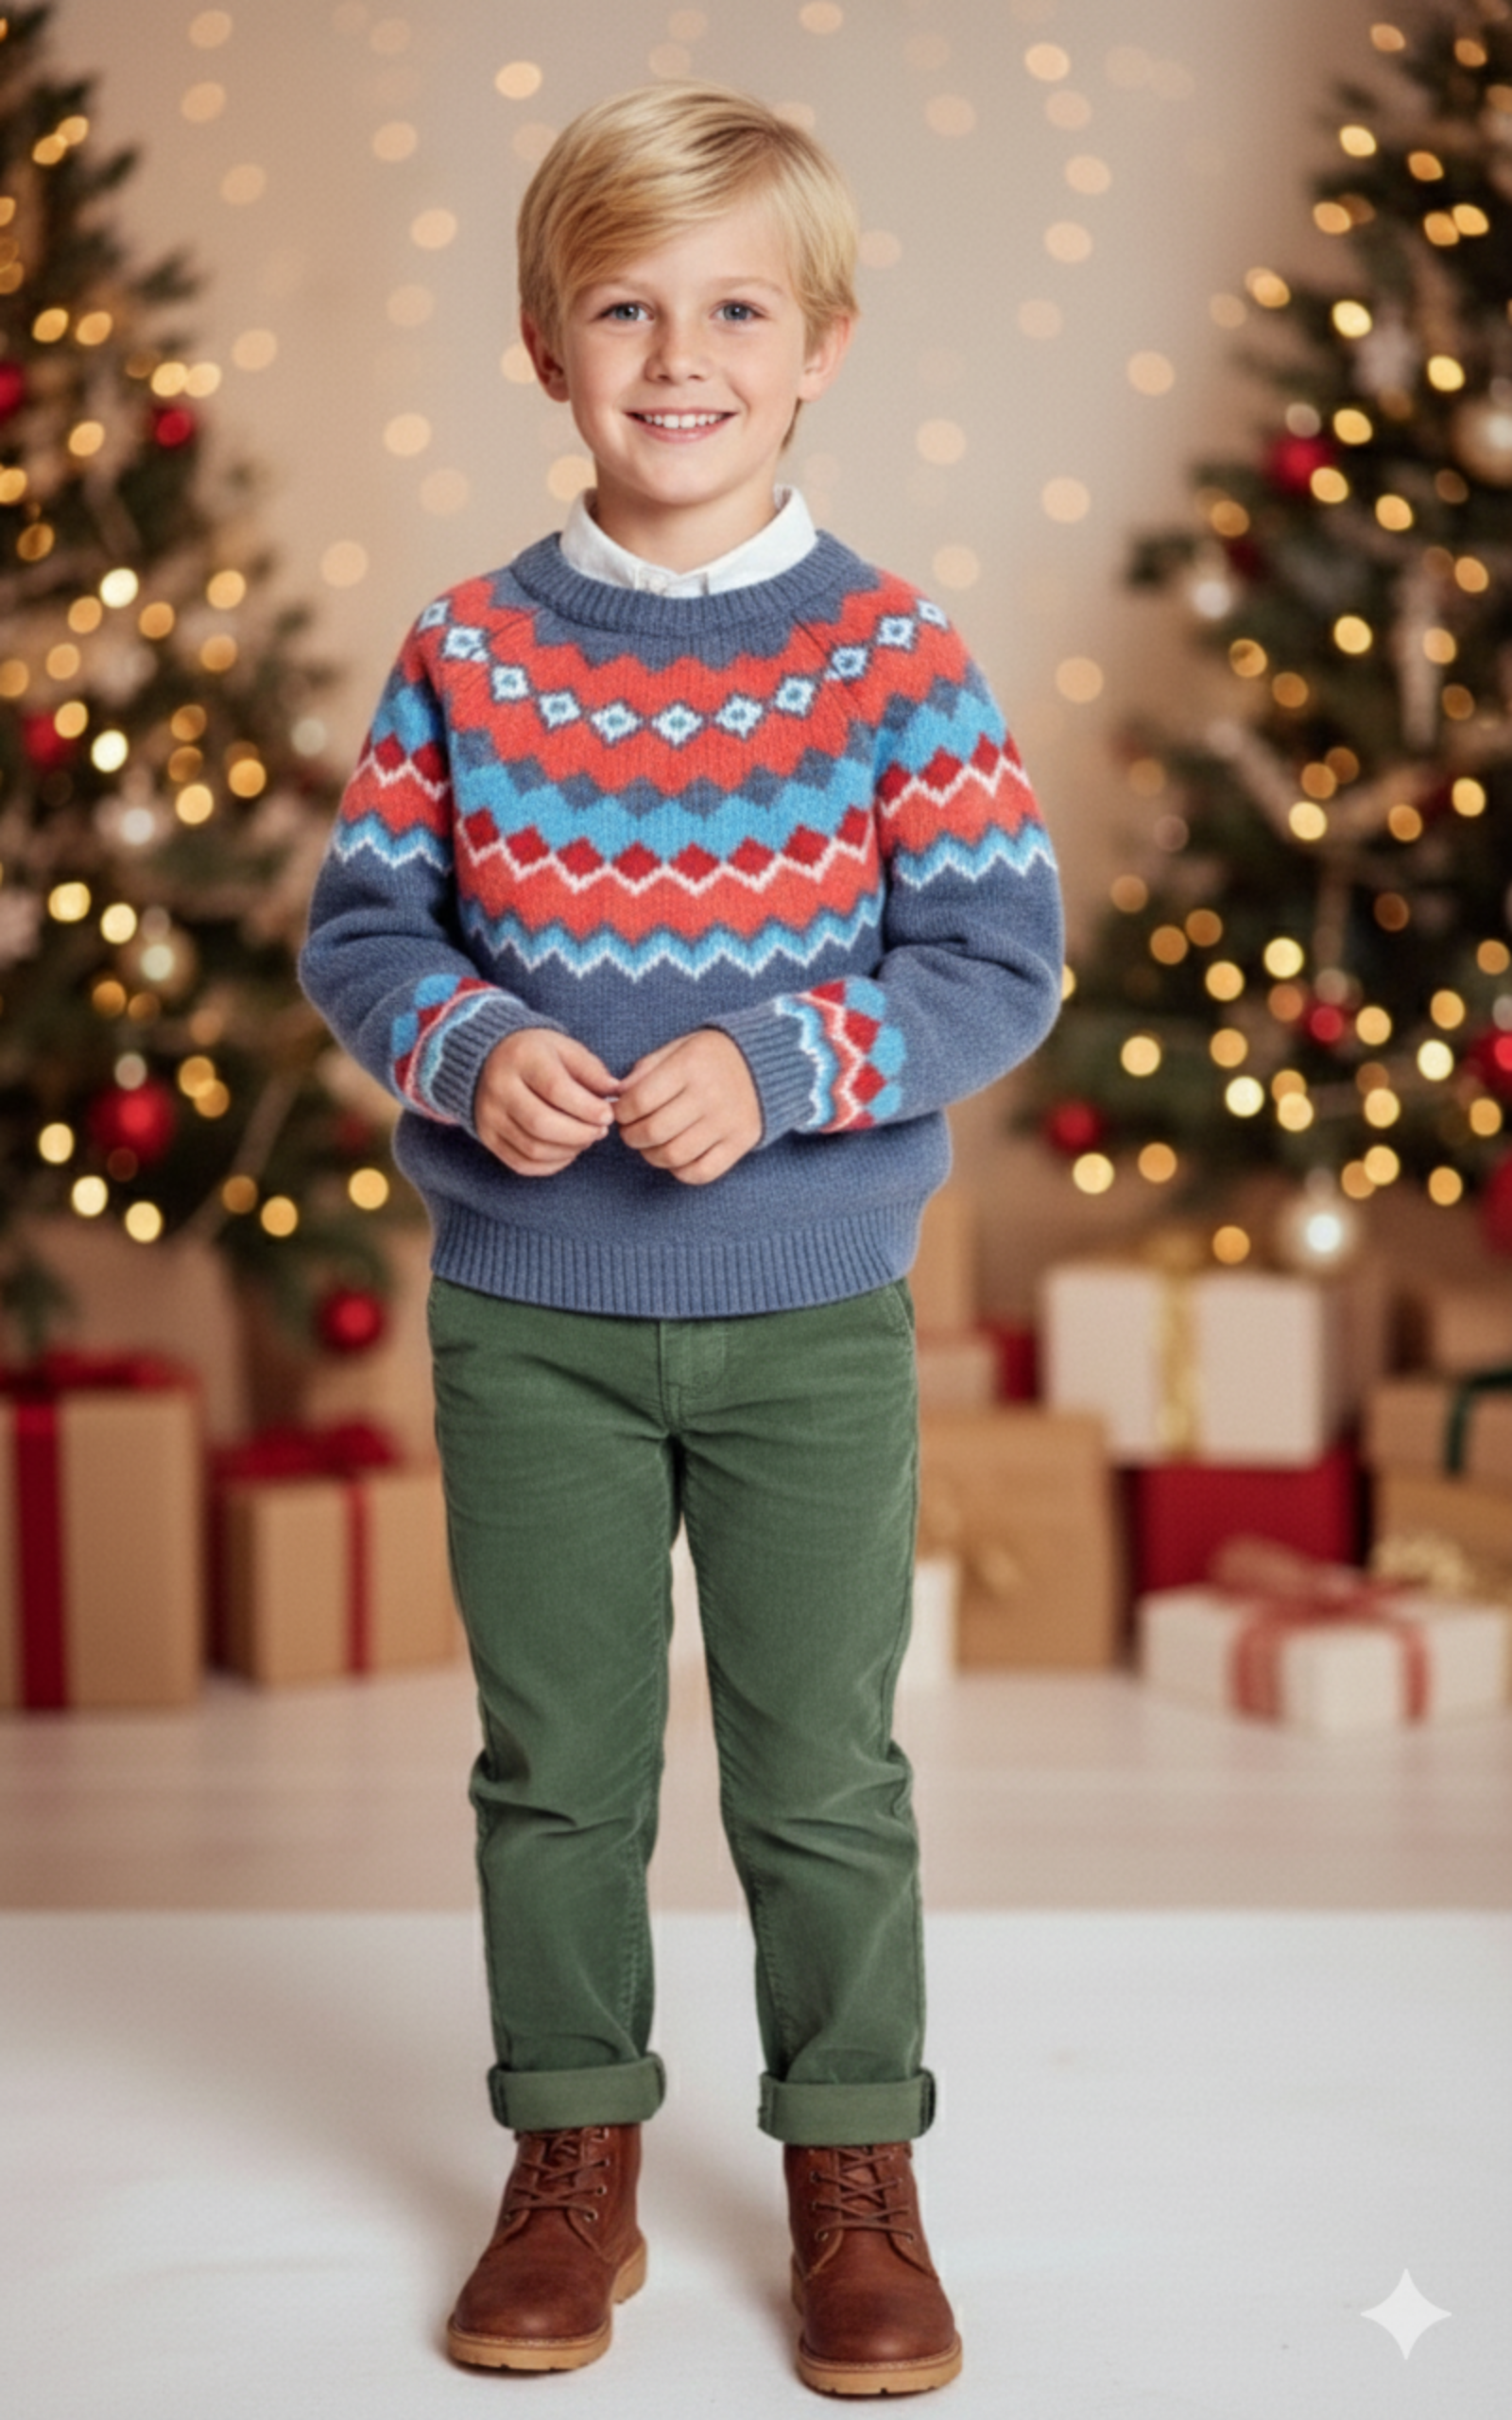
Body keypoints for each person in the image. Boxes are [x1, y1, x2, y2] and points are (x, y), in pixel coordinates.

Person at [300, 79, 1062, 2397]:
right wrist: (464, 1042)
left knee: (820, 1769)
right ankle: (573, 2151)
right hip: (528, 1317)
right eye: (622, 308)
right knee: (555, 1765)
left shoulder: (890, 653)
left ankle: (853, 2163)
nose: (676, 356)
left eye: (734, 308)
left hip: (807, 1317)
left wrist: (792, 1057)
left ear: (819, 344)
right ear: (544, 346)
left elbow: (991, 958)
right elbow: (364, 930)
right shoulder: (463, 651)